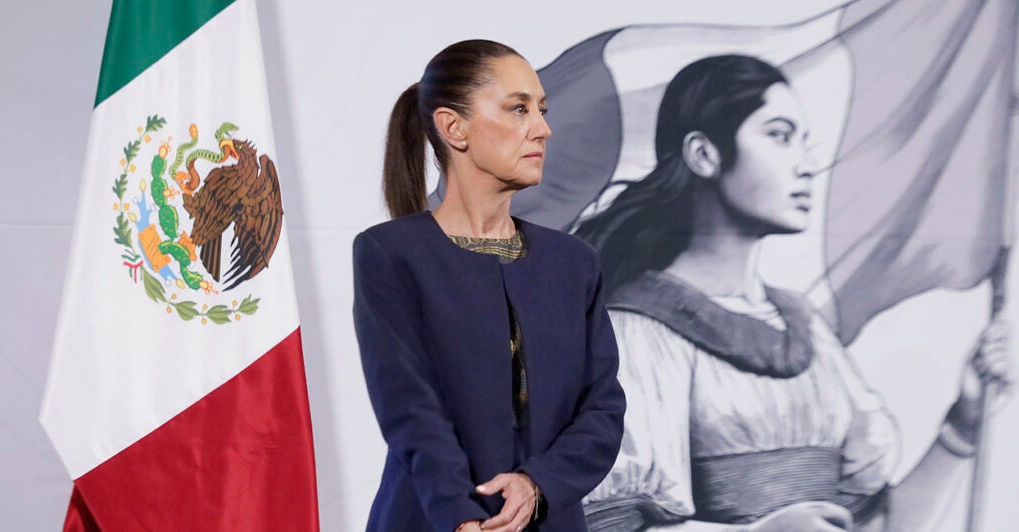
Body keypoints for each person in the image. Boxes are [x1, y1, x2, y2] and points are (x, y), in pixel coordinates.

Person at [575, 55, 1013, 531]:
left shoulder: (805, 329)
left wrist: (963, 424)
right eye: (780, 136)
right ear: (704, 154)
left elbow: (879, 525)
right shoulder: (638, 333)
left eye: (805, 142)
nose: (806, 165)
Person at [351, 40, 626, 532]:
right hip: (430, 519)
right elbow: (410, 407)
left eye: (541, 110)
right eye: (518, 109)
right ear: (453, 128)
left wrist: (537, 484)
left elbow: (602, 409)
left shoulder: (574, 263)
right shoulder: (391, 253)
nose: (542, 129)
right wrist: (460, 515)